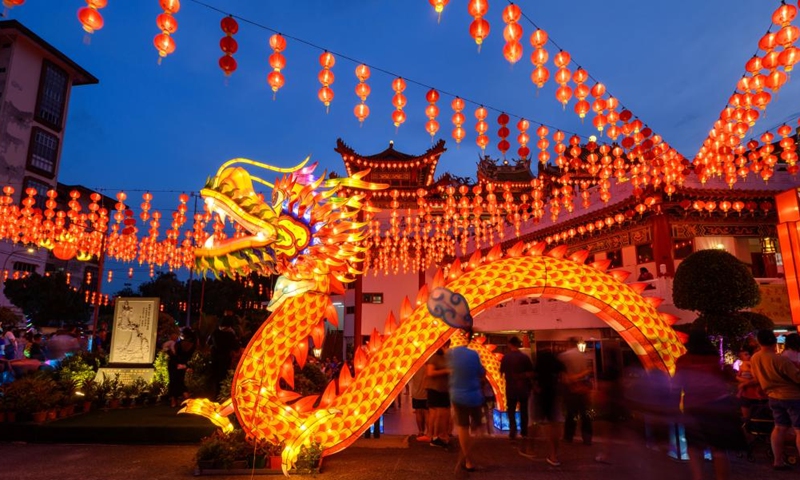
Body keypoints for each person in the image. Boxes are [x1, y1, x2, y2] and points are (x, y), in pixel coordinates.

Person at [673, 331, 742, 480]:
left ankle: (699, 477)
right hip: (718, 406)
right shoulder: (714, 359)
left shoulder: (683, 361)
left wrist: (674, 407)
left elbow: (677, 385)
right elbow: (726, 380)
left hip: (694, 407)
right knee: (719, 449)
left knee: (695, 447)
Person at [750, 328, 800, 471]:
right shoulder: (780, 359)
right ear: (774, 341)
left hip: (773, 396)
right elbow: (797, 378)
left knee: (779, 427)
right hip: (793, 396)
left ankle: (778, 461)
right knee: (798, 430)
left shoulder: (755, 358)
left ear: (759, 342)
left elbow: (757, 377)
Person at [448, 332, 485, 473]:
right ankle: (467, 457)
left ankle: (467, 459)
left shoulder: (450, 354)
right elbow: (481, 372)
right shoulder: (474, 354)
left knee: (463, 428)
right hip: (474, 395)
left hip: (458, 396)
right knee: (479, 428)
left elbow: (449, 371)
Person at [533, 347, 565, 467]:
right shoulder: (558, 364)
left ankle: (553, 454)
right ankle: (554, 454)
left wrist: (536, 388)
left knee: (547, 425)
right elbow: (564, 378)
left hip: (543, 396)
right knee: (555, 424)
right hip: (554, 394)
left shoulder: (539, 364)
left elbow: (534, 378)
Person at [559, 336, 593, 445]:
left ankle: (569, 436)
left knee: (571, 413)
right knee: (585, 414)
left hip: (571, 389)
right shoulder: (583, 356)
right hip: (583, 388)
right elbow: (588, 372)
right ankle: (587, 437)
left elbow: (563, 375)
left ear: (569, 344)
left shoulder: (564, 357)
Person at [499, 336, 533, 440]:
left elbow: (501, 372)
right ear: (518, 344)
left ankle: (512, 431)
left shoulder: (506, 358)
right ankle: (524, 432)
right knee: (524, 410)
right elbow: (531, 373)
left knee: (511, 410)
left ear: (510, 345)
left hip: (511, 388)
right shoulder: (525, 357)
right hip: (523, 388)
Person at [207, 315, 241, 398]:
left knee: (215, 376)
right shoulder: (230, 335)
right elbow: (236, 346)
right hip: (225, 358)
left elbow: (209, 343)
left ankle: (215, 394)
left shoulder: (215, 332)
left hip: (214, 357)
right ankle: (220, 394)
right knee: (223, 376)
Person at [426, 343, 451, 448]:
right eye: (444, 345)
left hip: (444, 388)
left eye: (447, 345)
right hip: (434, 389)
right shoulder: (433, 357)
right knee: (437, 413)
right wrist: (446, 371)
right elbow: (430, 373)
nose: (445, 347)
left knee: (445, 413)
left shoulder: (447, 357)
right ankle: (433, 436)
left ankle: (441, 435)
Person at [167, 327, 197, 408]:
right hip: (183, 364)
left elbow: (174, 353)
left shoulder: (180, 344)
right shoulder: (193, 344)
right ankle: (186, 399)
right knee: (180, 381)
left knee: (174, 381)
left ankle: (175, 400)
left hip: (174, 363)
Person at [736, 345, 766, 421]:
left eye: (748, 354)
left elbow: (758, 378)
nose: (748, 356)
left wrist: (744, 383)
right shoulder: (742, 365)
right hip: (747, 394)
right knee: (747, 417)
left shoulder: (753, 363)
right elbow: (737, 376)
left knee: (759, 417)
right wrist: (745, 382)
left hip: (759, 396)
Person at [409, 366, 430, 441]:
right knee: (427, 412)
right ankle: (428, 432)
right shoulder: (427, 364)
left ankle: (420, 431)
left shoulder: (415, 365)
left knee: (418, 412)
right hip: (426, 392)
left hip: (416, 392)